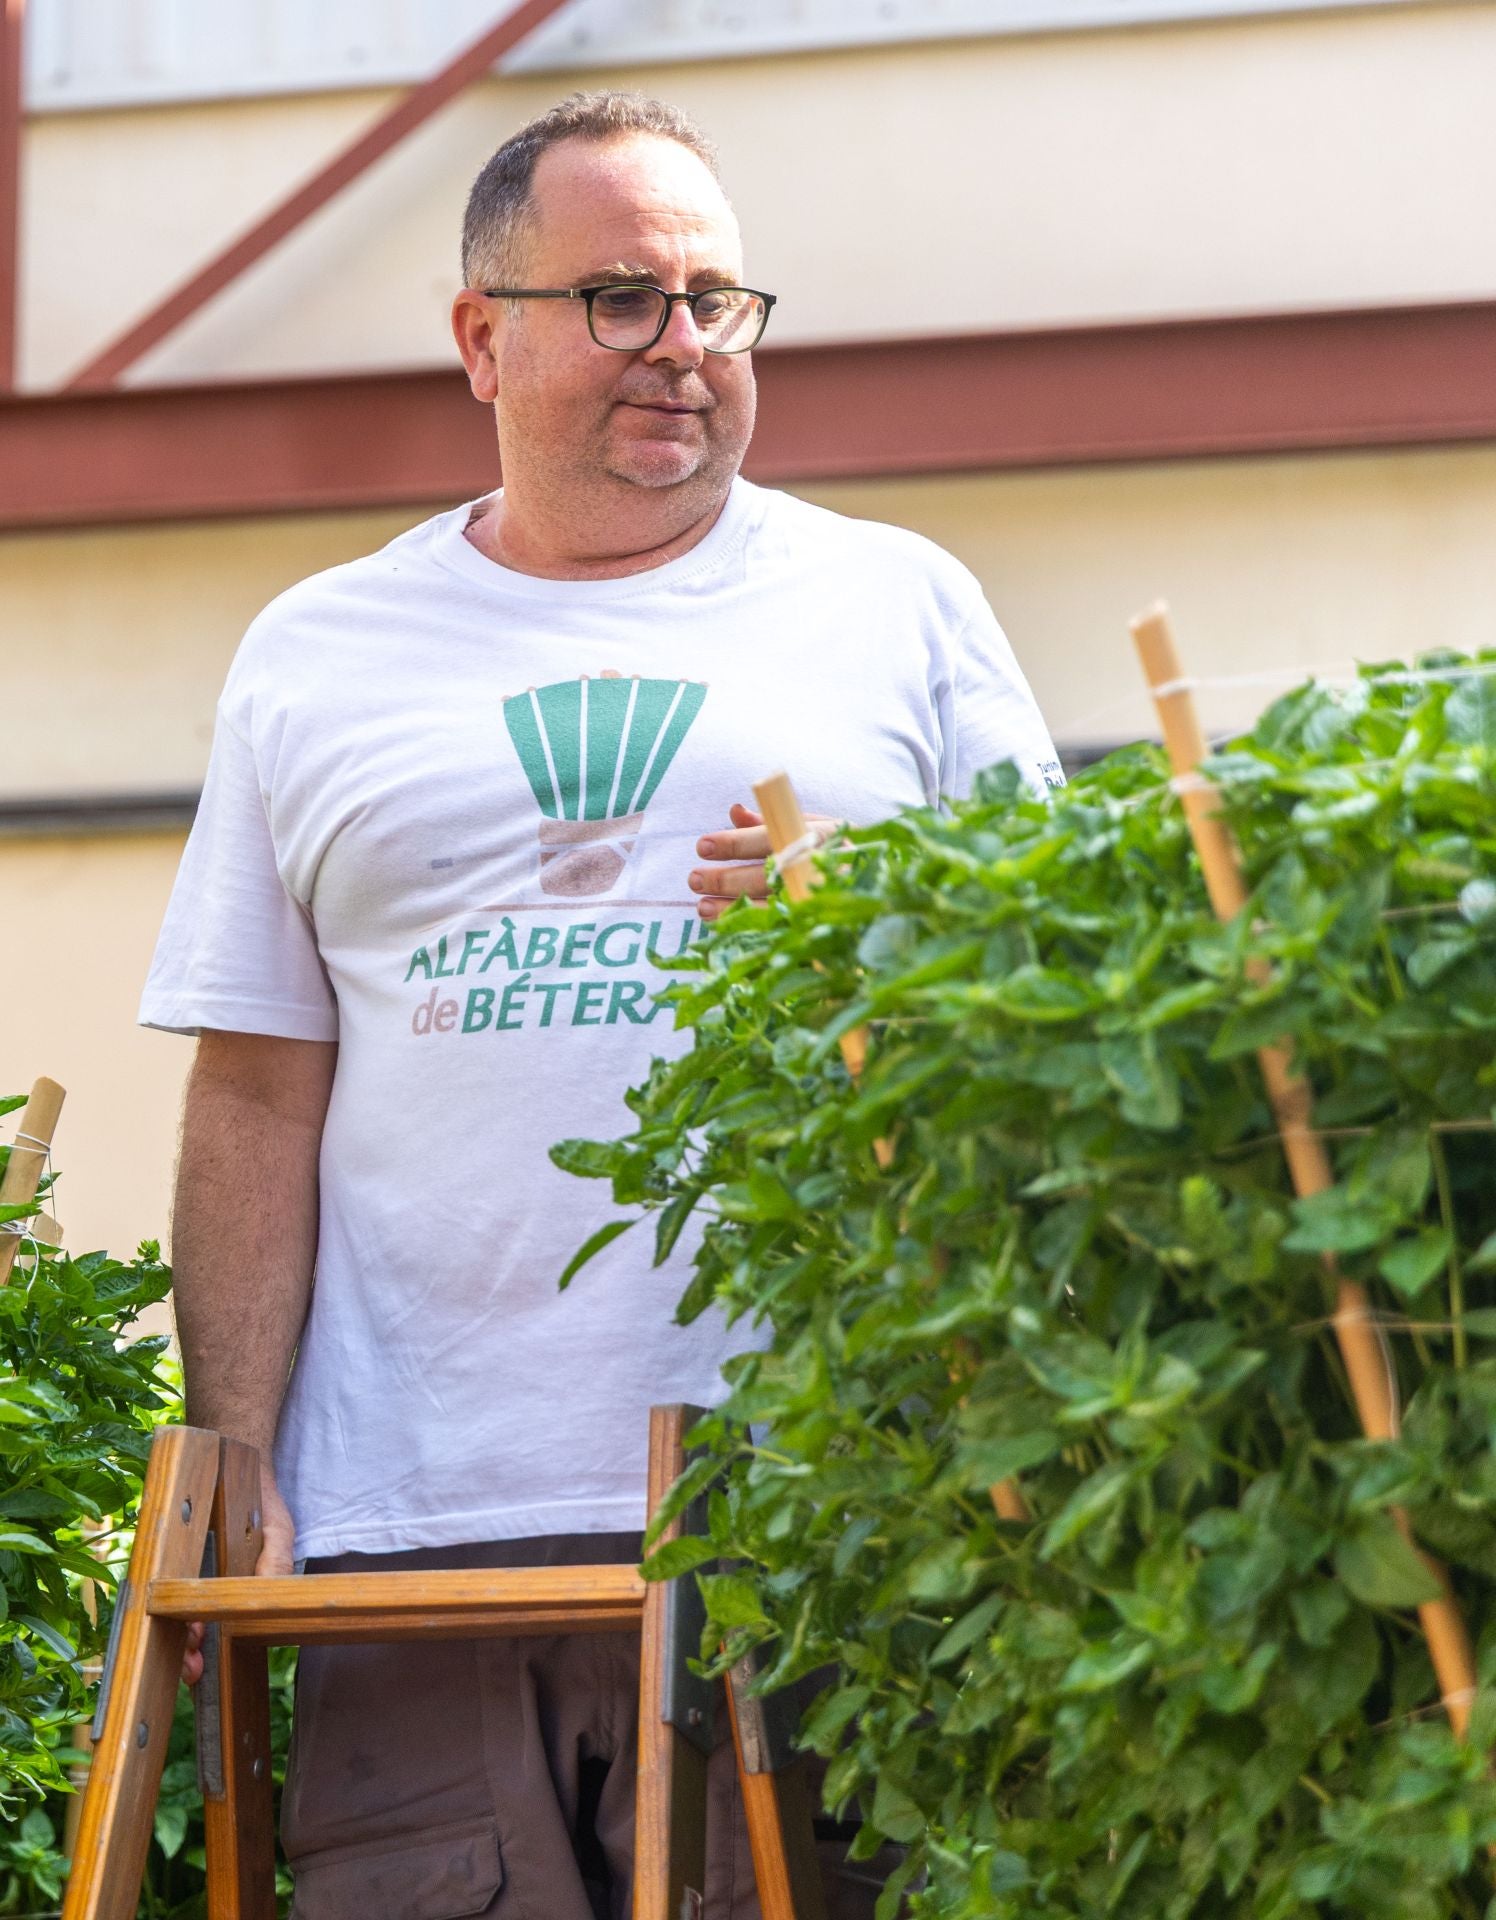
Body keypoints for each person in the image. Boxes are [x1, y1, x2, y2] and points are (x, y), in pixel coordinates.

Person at [140, 89, 1062, 1920]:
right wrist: (232, 1440)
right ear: (483, 336)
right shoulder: (318, 651)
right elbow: (256, 1093)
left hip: (820, 1499)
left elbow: (1058, 994)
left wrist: (890, 928)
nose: (685, 350)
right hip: (413, 1525)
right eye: (623, 299)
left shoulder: (897, 607)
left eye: (720, 302)